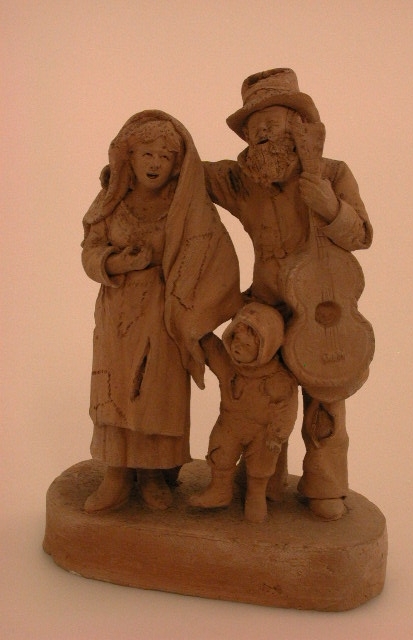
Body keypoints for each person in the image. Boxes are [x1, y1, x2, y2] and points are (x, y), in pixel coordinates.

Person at [203, 68, 373, 520]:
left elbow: (361, 235)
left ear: (298, 126)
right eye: (254, 127)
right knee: (262, 397)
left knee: (326, 398)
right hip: (267, 309)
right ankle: (263, 482)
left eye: (272, 122)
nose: (262, 132)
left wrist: (330, 207)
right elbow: (191, 175)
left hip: (320, 307)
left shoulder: (332, 173)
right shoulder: (241, 180)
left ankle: (325, 485)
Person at [81, 110, 242, 513]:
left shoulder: (185, 204)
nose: (155, 163)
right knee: (116, 391)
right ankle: (116, 474)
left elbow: (212, 250)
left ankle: (154, 474)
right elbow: (90, 251)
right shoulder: (112, 200)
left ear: (177, 165)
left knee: (156, 394)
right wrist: (116, 262)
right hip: (117, 314)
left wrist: (195, 304)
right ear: (130, 157)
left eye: (165, 156)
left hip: (165, 314)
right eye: (147, 154)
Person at [190, 302, 298, 523]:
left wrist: (277, 434)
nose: (237, 348)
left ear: (266, 347)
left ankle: (256, 496)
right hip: (229, 425)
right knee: (221, 454)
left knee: (261, 466)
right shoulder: (228, 365)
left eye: (246, 345)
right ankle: (220, 490)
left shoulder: (279, 380)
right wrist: (198, 326)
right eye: (235, 340)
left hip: (262, 432)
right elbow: (212, 347)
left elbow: (286, 410)